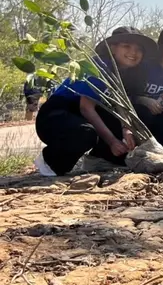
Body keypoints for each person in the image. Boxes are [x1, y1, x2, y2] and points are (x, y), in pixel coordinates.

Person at [33, 26, 155, 176]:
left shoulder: (129, 75)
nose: (133, 52)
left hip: (83, 115)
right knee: (85, 133)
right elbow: (86, 108)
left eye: (138, 49)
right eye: (126, 46)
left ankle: (99, 158)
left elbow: (122, 107)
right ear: (112, 48)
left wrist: (126, 130)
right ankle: (49, 161)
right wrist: (112, 141)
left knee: (139, 115)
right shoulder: (98, 67)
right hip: (57, 116)